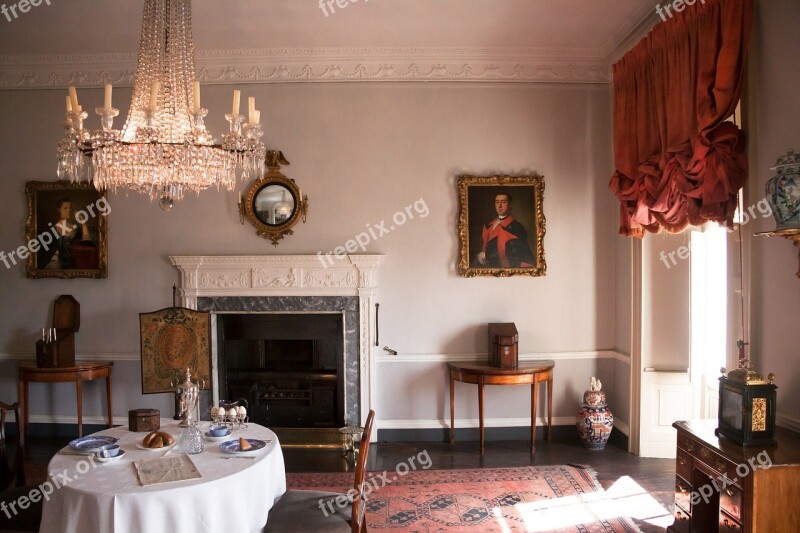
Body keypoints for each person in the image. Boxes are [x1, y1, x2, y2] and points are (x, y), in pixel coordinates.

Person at [476, 193, 535, 268]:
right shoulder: (489, 225)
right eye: (497, 202)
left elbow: (522, 256)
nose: (500, 206)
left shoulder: (517, 228)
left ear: (510, 204)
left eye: (504, 202)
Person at [43, 197, 97, 269]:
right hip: (56, 264)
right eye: (65, 208)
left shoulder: (75, 229)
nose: (69, 210)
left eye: (70, 208)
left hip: (73, 264)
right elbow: (46, 253)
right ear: (59, 210)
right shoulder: (52, 229)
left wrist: (83, 221)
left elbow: (87, 244)